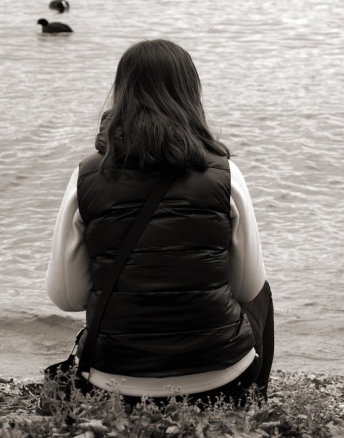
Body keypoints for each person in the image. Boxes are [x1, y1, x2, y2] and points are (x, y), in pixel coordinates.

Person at [46, 39, 273, 407]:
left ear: (121, 93)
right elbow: (248, 288)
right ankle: (252, 400)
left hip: (114, 378)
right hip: (221, 377)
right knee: (263, 291)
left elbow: (66, 297)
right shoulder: (225, 174)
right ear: (190, 94)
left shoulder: (85, 176)